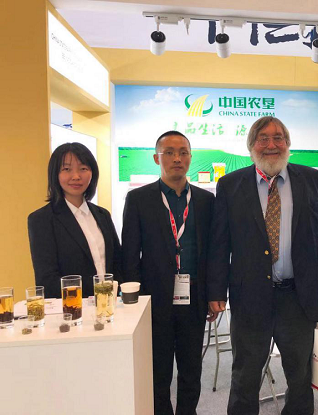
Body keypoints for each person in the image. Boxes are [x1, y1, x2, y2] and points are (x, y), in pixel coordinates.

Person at [207, 116, 318, 415]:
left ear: (288, 144)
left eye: (278, 137)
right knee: (245, 375)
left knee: (300, 375)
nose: (271, 144)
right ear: (251, 145)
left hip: (297, 297)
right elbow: (219, 244)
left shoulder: (311, 179)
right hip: (250, 296)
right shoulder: (230, 184)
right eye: (263, 138)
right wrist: (216, 291)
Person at [122, 131, 215, 415]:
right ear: (156, 158)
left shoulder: (205, 200)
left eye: (183, 152)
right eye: (169, 152)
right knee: (157, 371)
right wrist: (133, 301)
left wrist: (213, 294)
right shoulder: (138, 199)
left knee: (191, 369)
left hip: (194, 298)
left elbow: (214, 252)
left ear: (190, 157)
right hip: (154, 300)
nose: (177, 158)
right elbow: (130, 254)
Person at [28, 142, 121, 299]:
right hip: (71, 307)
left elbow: (117, 263)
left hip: (110, 305)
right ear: (55, 174)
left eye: (83, 169)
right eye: (67, 169)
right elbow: (47, 280)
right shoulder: (41, 219)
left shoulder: (102, 215)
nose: (76, 176)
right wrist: (96, 291)